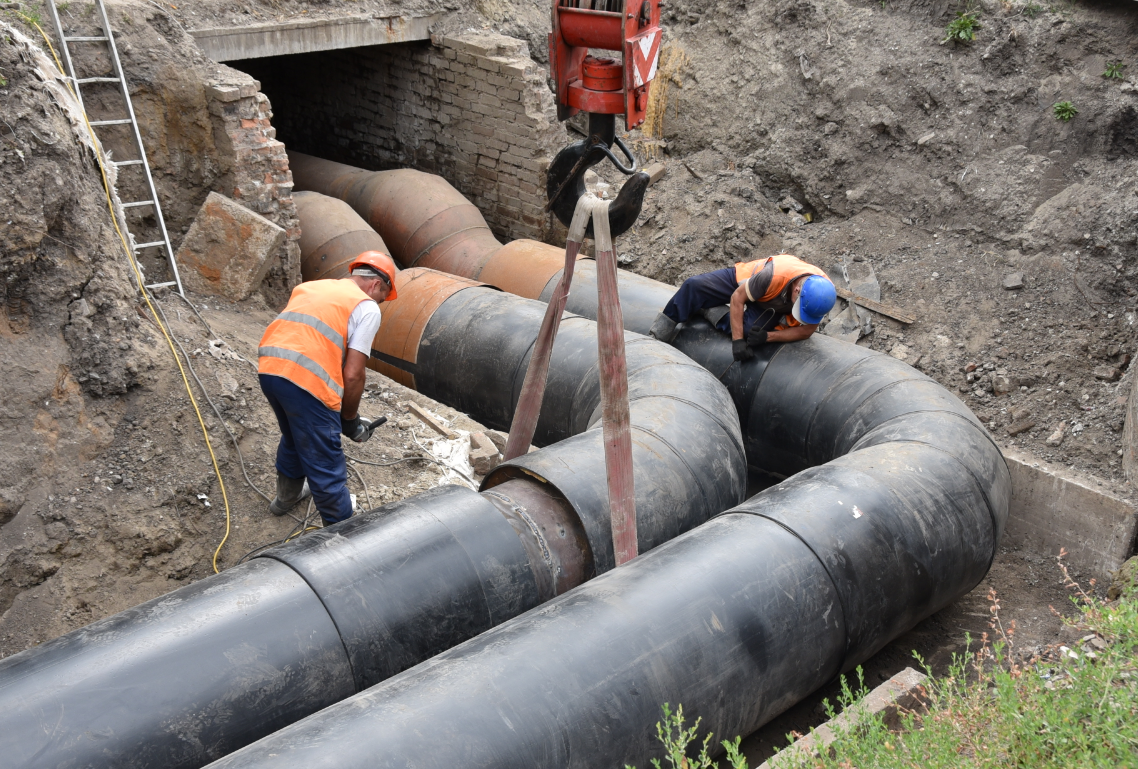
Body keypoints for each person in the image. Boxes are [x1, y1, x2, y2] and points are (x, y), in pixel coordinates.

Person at [257, 250, 398, 527]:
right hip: (306, 382)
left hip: (270, 369)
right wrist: (349, 420)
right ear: (376, 285)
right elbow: (355, 374)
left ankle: (284, 500)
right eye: (382, 297)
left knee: (295, 435)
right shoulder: (367, 307)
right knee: (325, 458)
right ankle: (343, 534)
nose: (379, 302)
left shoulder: (311, 287)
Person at [649, 254, 837, 361]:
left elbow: (806, 331)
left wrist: (768, 337)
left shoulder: (821, 295)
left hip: (773, 305)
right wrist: (737, 342)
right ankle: (657, 335)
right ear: (797, 290)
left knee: (749, 331)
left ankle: (709, 310)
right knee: (694, 286)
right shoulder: (772, 276)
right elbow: (738, 298)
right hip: (750, 283)